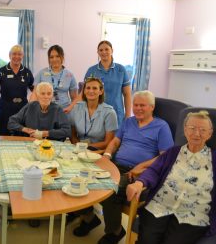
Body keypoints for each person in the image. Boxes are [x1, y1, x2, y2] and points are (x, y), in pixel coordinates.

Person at [73, 90, 174, 244]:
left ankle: (115, 231)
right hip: (115, 165)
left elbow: (166, 156)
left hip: (138, 173)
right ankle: (89, 218)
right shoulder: (129, 122)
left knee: (110, 190)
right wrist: (106, 155)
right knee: (80, 177)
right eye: (136, 105)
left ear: (152, 107)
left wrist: (142, 166)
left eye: (143, 105)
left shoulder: (161, 126)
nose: (138, 108)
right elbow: (115, 142)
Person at [126, 111, 215, 244]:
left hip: (193, 215)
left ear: (209, 134)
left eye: (202, 130)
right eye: (192, 128)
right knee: (147, 239)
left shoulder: (213, 159)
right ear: (185, 130)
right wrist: (139, 183)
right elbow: (154, 170)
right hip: (160, 206)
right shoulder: (173, 152)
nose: (196, 133)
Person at [84, 40, 132, 127]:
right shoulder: (91, 71)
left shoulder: (121, 69)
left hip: (117, 113)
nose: (104, 52)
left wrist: (128, 115)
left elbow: (127, 94)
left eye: (106, 49)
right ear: (98, 52)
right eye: (101, 50)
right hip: (96, 113)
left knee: (116, 139)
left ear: (112, 50)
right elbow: (84, 93)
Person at [0, 45, 34, 139]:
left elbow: (33, 89)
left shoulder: (27, 72)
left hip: (22, 108)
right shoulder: (1, 71)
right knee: (2, 133)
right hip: (5, 108)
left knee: (20, 134)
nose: (17, 56)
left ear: (22, 56)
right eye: (14, 54)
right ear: (9, 55)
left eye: (19, 54)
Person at [69, 76, 118, 149]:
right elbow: (72, 135)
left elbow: (108, 142)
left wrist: (85, 147)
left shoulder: (109, 112)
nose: (91, 91)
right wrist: (77, 145)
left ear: (101, 91)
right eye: (88, 88)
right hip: (78, 149)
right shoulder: (76, 108)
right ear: (84, 91)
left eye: (95, 88)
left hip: (98, 151)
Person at [30, 45, 78, 114]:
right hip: (45, 111)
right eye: (51, 57)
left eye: (57, 56)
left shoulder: (69, 75)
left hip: (64, 111)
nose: (54, 59)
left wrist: (70, 108)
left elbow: (74, 98)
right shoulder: (42, 73)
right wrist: (31, 108)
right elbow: (35, 94)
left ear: (62, 57)